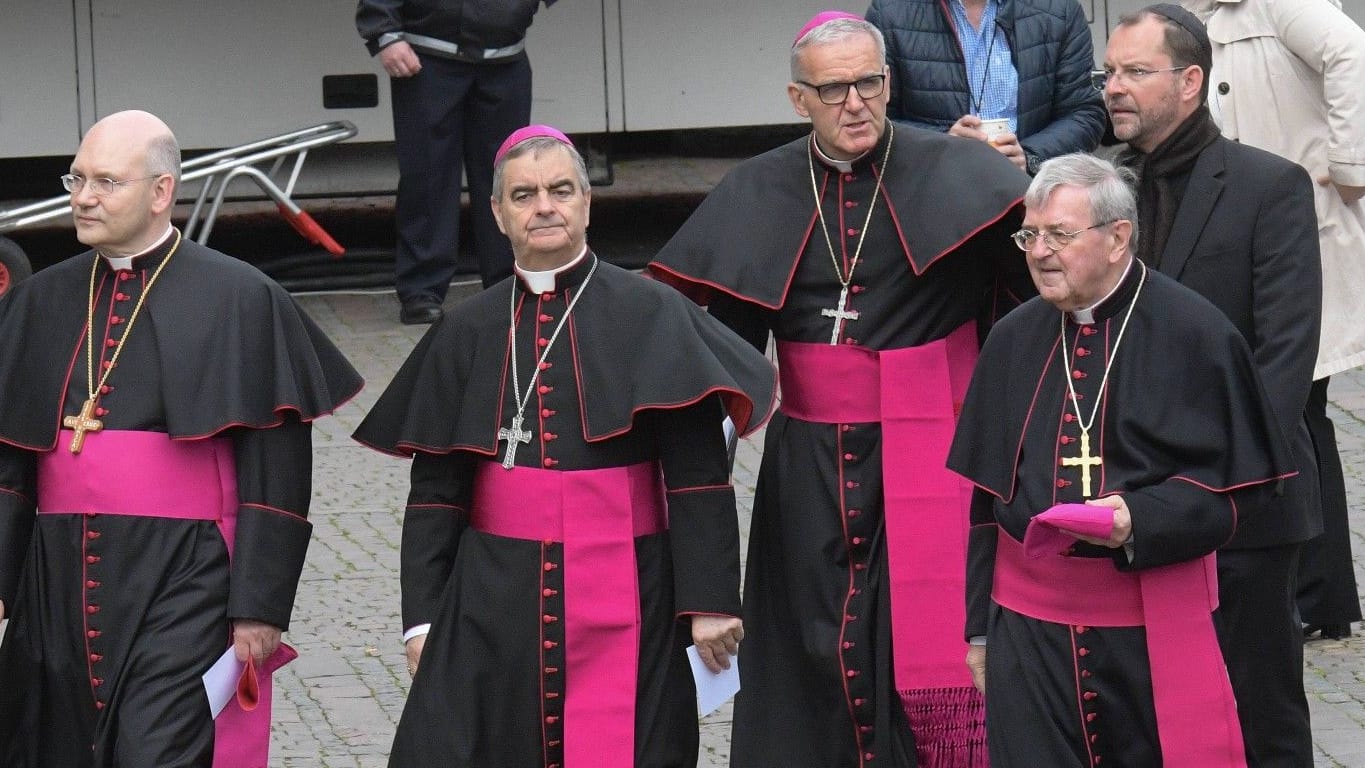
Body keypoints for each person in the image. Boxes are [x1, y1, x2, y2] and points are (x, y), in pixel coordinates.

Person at [650, 11, 1029, 767]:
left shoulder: (963, 177)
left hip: (932, 457)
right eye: (834, 89)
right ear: (799, 100)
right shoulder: (757, 192)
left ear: (889, 84)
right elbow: (714, 373)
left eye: (869, 83)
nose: (855, 103)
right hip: (807, 471)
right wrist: (699, 561)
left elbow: (1025, 317)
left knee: (923, 644)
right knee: (813, 650)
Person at [352, 125, 777, 768]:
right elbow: (436, 492)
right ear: (497, 213)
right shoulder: (465, 330)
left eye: (559, 190)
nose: (543, 206)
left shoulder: (654, 313)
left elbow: (697, 477)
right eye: (523, 195)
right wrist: (422, 620)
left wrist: (711, 602)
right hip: (494, 596)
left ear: (586, 201)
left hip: (635, 585)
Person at [0, 110, 363, 767]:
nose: (83, 197)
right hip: (55, 575)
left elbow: (276, 467)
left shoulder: (240, 298)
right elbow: (10, 465)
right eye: (76, 178)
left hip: (185, 575)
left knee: (156, 749)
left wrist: (259, 606)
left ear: (161, 191)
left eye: (106, 181)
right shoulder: (37, 302)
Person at [947, 151, 1293, 768]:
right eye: (1031, 235)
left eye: (1060, 235)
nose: (1039, 252)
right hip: (1030, 638)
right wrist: (979, 631)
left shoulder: (1196, 333)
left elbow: (1238, 498)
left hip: (1149, 627)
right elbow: (984, 500)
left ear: (1118, 238)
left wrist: (1138, 518)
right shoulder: (1011, 339)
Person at [1101, 5, 1323, 765]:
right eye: (1108, 73)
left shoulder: (1270, 185)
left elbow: (1284, 358)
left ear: (1190, 81)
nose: (1113, 88)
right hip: (1134, 499)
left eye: (1135, 72)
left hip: (1242, 504)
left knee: (1258, 717)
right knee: (1146, 714)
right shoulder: (1106, 190)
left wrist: (1200, 483)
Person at [1182, 0, 1365, 642]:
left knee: (1298, 412)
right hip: (1256, 238)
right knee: (1300, 414)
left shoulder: (1284, 3)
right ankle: (1321, 593)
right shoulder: (1201, 17)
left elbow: (1351, 52)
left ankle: (1319, 593)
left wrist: (1348, 168)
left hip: (1299, 236)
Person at [356, 0, 558, 324]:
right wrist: (386, 34)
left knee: (509, 178)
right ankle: (422, 291)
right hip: (428, 60)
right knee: (427, 177)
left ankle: (509, 281)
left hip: (505, 61)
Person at [866, 0, 1105, 173]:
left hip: (1034, 199)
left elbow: (1085, 113)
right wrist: (942, 143)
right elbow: (874, 121)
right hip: (935, 200)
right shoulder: (890, 12)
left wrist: (1030, 156)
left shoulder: (1058, 10)